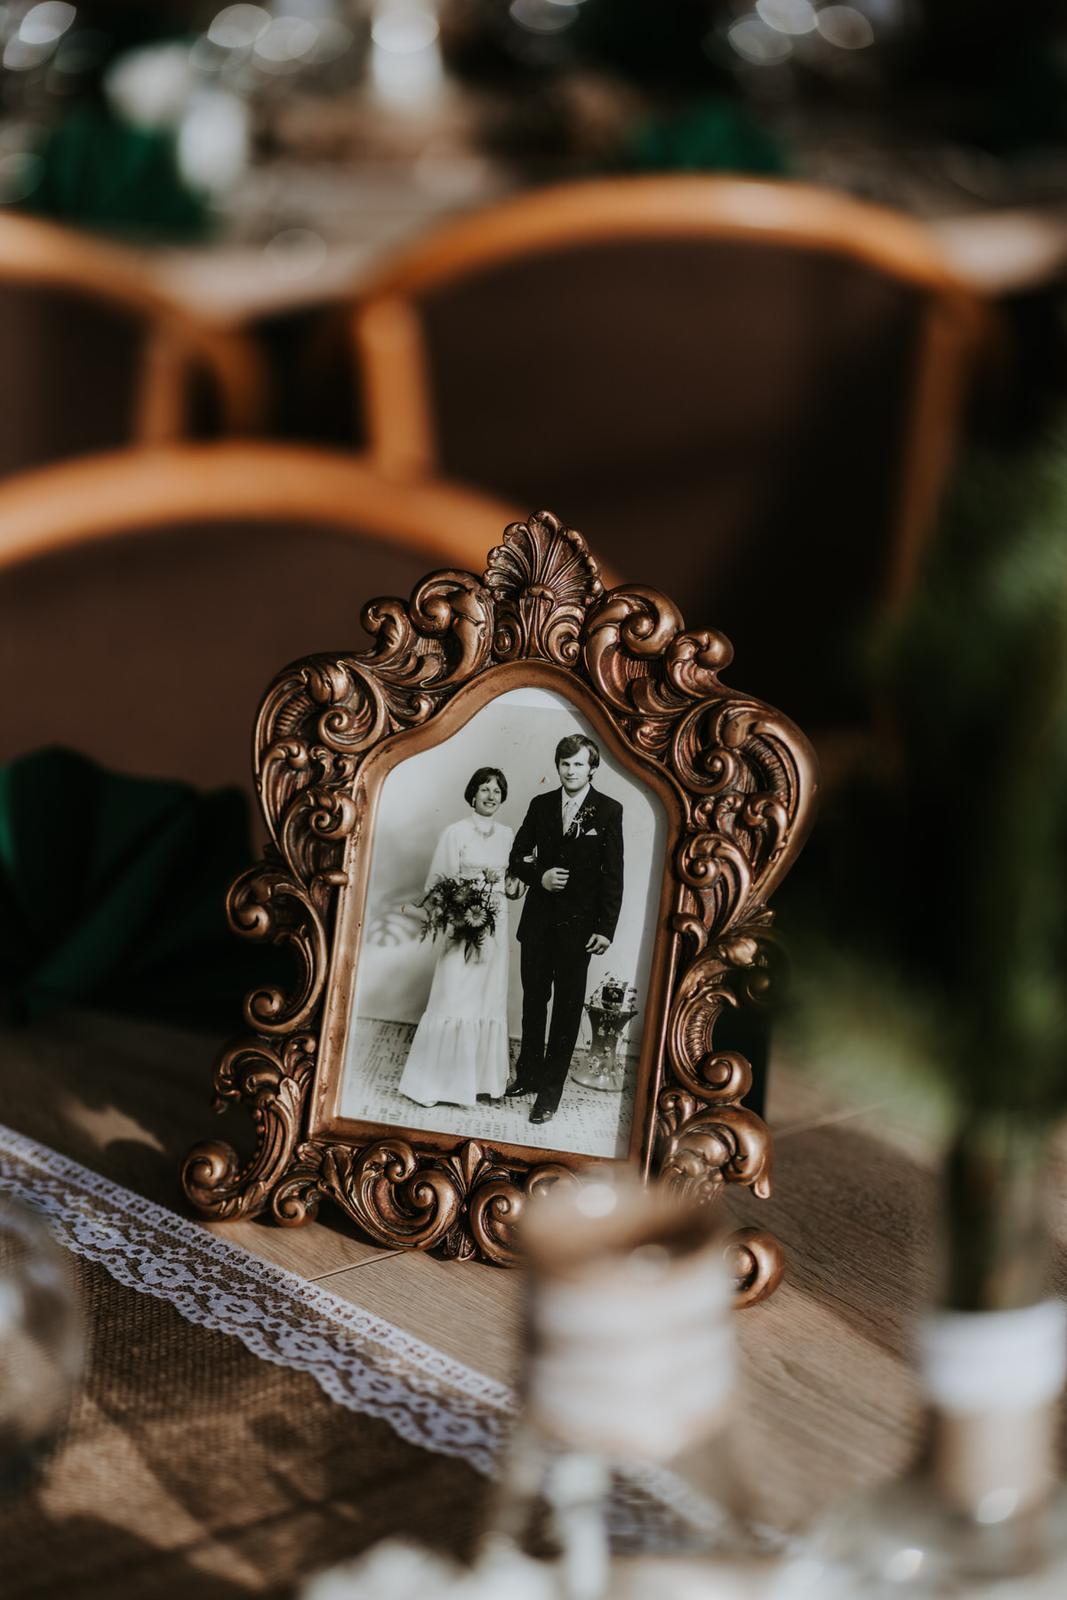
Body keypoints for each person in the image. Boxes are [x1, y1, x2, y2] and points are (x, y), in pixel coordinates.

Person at [507, 734, 624, 1124]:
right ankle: (527, 1076)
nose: (570, 771)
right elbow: (517, 857)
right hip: (537, 926)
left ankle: (549, 1095)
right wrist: (539, 876)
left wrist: (606, 928)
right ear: (557, 766)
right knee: (533, 1002)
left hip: (579, 931)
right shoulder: (540, 804)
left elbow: (613, 876)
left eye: (578, 764)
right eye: (564, 764)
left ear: (592, 768)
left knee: (566, 1012)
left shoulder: (608, 811)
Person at [397, 767, 515, 1108]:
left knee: (487, 999)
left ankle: (479, 1084)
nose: (491, 796)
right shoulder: (455, 832)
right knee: (454, 996)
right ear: (473, 794)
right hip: (463, 924)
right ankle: (436, 1085)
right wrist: (462, 916)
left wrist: (519, 881)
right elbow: (438, 884)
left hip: (496, 925)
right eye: (484, 789)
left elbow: (511, 885)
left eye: (497, 790)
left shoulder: (507, 835)